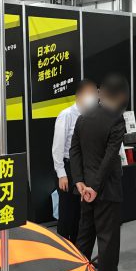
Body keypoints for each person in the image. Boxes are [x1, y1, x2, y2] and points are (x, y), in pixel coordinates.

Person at [70, 73, 136, 271]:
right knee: (108, 240)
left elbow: (74, 151)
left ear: (101, 93)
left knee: (84, 237)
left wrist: (80, 182)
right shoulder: (116, 120)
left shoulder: (83, 118)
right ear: (120, 96)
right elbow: (110, 158)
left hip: (85, 190)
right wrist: (95, 187)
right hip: (105, 190)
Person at [52, 79, 98, 243]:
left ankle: (79, 251)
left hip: (86, 168)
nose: (93, 97)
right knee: (68, 214)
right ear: (78, 96)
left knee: (82, 213)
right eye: (88, 93)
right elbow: (57, 147)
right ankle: (64, 250)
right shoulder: (66, 115)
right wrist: (61, 174)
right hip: (68, 168)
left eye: (94, 93)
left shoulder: (93, 115)